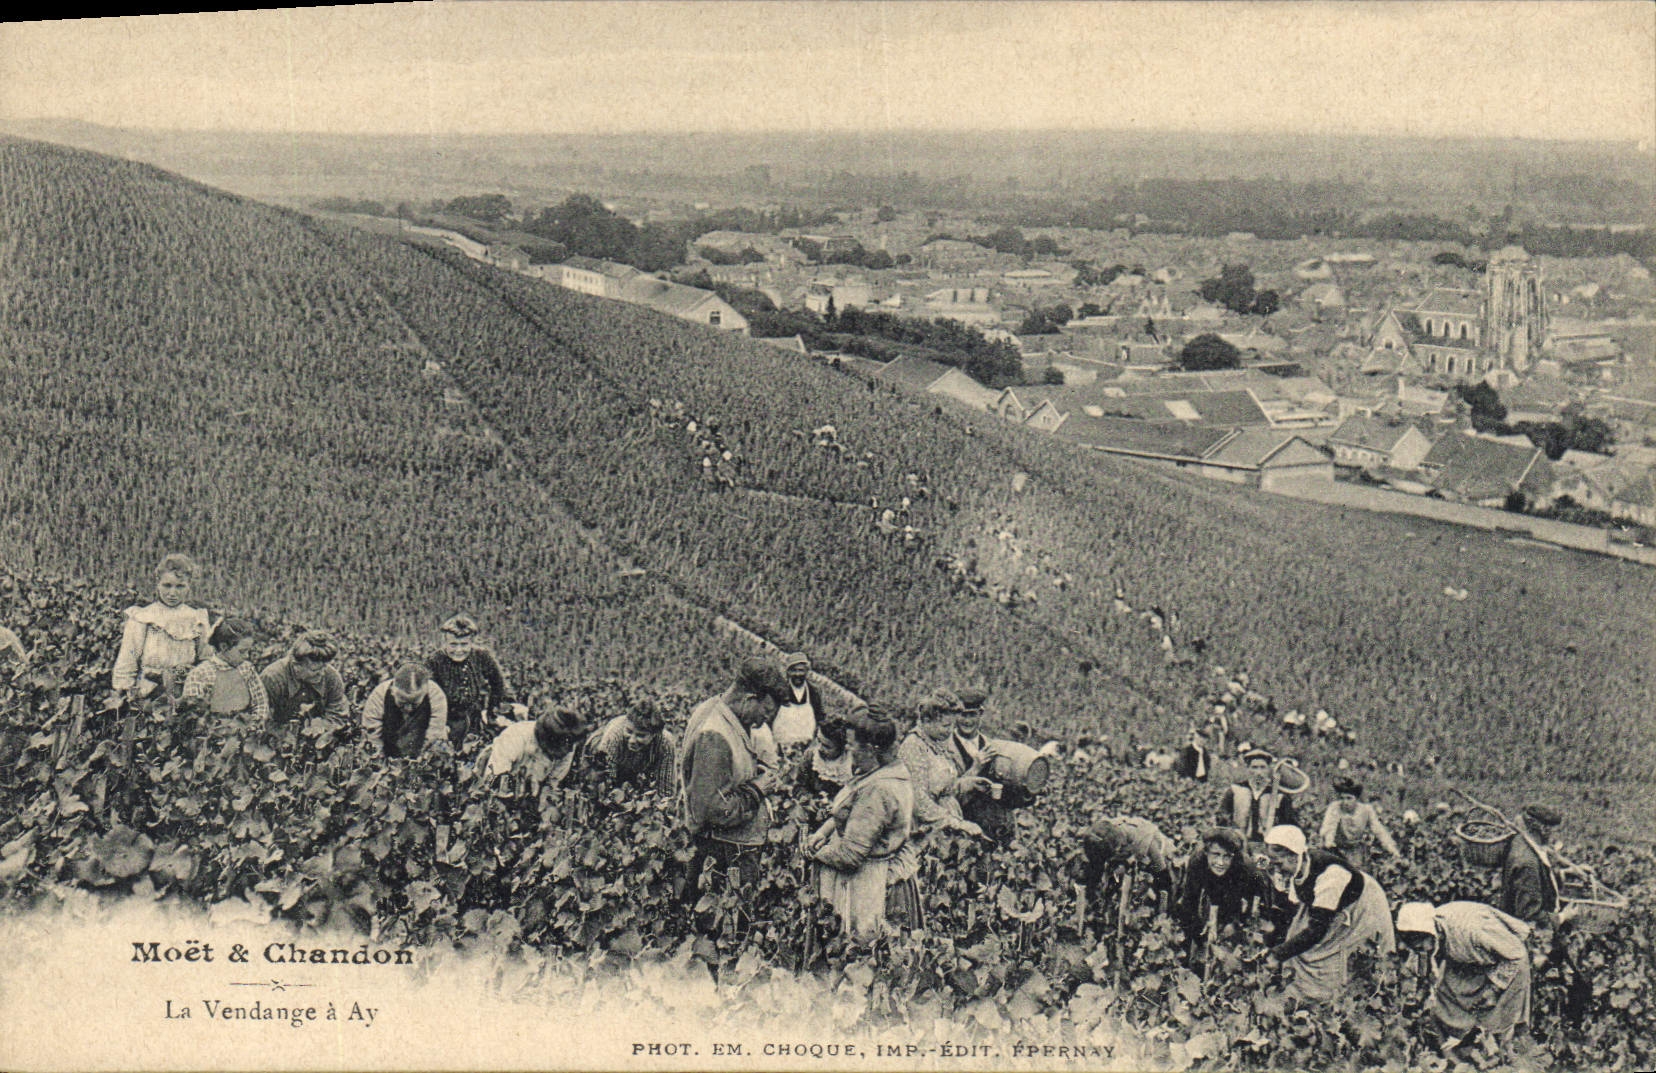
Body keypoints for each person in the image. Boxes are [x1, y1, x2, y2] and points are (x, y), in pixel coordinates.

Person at [679, 658, 793, 909]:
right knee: (723, 929)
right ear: (750, 697)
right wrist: (758, 788)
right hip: (721, 855)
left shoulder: (718, 711)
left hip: (724, 851)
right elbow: (714, 809)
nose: (763, 722)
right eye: (765, 713)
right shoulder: (715, 734)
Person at [806, 706, 920, 940]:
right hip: (874, 872)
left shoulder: (879, 790)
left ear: (871, 749)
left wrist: (812, 853)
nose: (847, 749)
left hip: (869, 887)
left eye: (851, 744)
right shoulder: (882, 771)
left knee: (861, 950)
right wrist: (824, 830)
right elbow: (850, 811)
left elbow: (850, 856)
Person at [1260, 824, 1395, 1004]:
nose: (1277, 869)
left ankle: (1334, 1001)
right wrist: (1272, 944)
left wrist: (1278, 955)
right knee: (1298, 944)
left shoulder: (1331, 876)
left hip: (1362, 906)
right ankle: (1302, 993)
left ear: (1293, 855)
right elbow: (1290, 913)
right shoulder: (1299, 867)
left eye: (1279, 863)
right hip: (1332, 905)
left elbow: (1317, 930)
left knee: (1340, 957)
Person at [1396, 901, 1533, 1060]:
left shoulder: (1472, 930)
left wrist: (1494, 989)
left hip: (1507, 961)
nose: (1419, 951)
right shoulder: (1425, 934)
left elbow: (1516, 954)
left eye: (1420, 947)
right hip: (1472, 962)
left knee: (1496, 1025)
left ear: (1431, 933)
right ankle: (1460, 1052)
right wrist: (1417, 994)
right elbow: (1419, 964)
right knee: (1447, 999)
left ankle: (1497, 1059)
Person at [110, 553, 212, 705]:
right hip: (148, 694)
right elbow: (127, 660)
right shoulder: (143, 617)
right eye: (167, 585)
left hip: (186, 694)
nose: (172, 593)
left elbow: (206, 659)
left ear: (189, 585)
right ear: (157, 583)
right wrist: (124, 695)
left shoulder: (197, 618)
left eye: (180, 586)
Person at [897, 690, 984, 841]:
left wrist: (967, 783)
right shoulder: (914, 746)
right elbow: (919, 802)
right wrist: (955, 823)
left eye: (952, 725)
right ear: (927, 721)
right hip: (924, 830)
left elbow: (944, 788)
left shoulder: (936, 743)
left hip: (946, 826)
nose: (950, 731)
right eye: (945, 725)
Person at [951, 686, 1034, 842]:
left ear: (980, 714)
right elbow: (946, 796)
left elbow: (1010, 798)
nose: (967, 721)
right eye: (963, 715)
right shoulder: (945, 748)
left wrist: (1030, 790)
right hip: (964, 835)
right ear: (955, 715)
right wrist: (974, 769)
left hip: (998, 832)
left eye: (972, 715)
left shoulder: (995, 747)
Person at [1175, 827, 1268, 948]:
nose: (1221, 862)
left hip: (1237, 883)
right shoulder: (1197, 862)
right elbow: (1189, 901)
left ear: (1233, 856)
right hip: (1211, 879)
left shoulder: (1244, 867)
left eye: (1227, 856)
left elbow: (1248, 902)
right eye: (1216, 854)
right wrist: (1197, 935)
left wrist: (1234, 924)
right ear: (1206, 852)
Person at [427, 615, 509, 750]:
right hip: (445, 721)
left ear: (472, 642)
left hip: (473, 718)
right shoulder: (434, 661)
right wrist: (437, 725)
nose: (459, 650)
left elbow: (498, 683)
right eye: (453, 644)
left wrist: (491, 713)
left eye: (464, 644)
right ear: (444, 642)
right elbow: (428, 696)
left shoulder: (481, 656)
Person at [179, 618, 269, 723]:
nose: (247, 656)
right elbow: (192, 713)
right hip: (212, 731)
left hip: (244, 728)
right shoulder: (201, 674)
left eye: (248, 651)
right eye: (242, 651)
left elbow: (261, 702)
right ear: (224, 647)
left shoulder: (247, 669)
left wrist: (256, 723)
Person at [584, 697, 677, 795]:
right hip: (603, 754)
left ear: (654, 734)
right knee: (597, 790)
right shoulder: (614, 735)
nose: (632, 740)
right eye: (629, 731)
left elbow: (666, 787)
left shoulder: (666, 743)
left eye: (641, 735)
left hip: (637, 763)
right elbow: (608, 779)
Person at [482, 704, 588, 789]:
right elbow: (492, 779)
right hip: (501, 785)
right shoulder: (516, 736)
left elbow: (552, 782)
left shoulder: (566, 747)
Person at [259, 631, 348, 727]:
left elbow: (337, 717)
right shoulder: (273, 678)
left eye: (324, 666)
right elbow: (262, 721)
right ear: (296, 665)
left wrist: (317, 730)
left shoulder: (332, 678)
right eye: (314, 670)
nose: (322, 673)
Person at [362, 664, 450, 759]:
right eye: (402, 702)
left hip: (420, 745)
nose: (408, 708)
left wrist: (419, 763)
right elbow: (373, 736)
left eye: (414, 704)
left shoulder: (436, 695)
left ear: (425, 692)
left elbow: (434, 734)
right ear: (393, 691)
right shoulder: (379, 695)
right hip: (389, 747)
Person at [1497, 804, 1561, 925]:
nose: (1554, 836)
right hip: (1523, 933)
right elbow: (1530, 915)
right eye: (1554, 830)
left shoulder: (1521, 841)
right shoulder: (1528, 864)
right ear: (1543, 829)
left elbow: (1541, 876)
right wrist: (1563, 917)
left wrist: (1564, 873)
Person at [1217, 748, 1300, 841]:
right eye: (1254, 767)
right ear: (1248, 769)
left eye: (1262, 767)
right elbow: (1222, 820)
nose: (1258, 773)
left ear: (1269, 769)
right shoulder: (1235, 791)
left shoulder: (1279, 796)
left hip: (1269, 845)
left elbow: (1289, 826)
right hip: (1239, 844)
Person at [1319, 777, 1402, 867]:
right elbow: (1329, 827)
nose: (1345, 802)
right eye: (1342, 798)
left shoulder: (1366, 810)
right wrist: (1329, 843)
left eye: (1349, 798)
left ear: (1356, 799)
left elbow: (1378, 830)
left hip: (1356, 851)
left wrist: (1392, 849)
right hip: (1336, 849)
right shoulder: (1335, 807)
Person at [773, 652, 825, 750]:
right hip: (781, 748)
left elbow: (820, 718)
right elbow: (770, 716)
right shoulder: (780, 690)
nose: (797, 674)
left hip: (807, 748)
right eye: (793, 670)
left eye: (801, 670)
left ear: (806, 671)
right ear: (788, 672)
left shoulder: (814, 692)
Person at [798, 712, 853, 798]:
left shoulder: (850, 765)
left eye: (827, 746)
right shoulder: (811, 757)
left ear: (841, 747)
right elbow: (799, 785)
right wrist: (808, 799)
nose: (820, 747)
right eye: (818, 740)